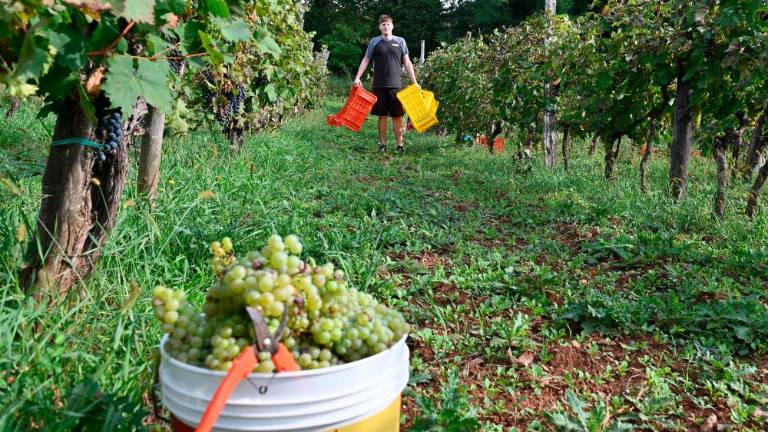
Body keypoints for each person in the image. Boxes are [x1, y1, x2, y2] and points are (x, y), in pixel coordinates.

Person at [353, 14, 419, 154]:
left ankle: (400, 145)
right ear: (380, 27)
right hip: (379, 85)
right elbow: (366, 59)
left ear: (392, 26)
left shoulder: (400, 41)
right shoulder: (374, 42)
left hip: (396, 85)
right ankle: (382, 145)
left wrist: (414, 82)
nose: (386, 26)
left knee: (397, 116)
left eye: (388, 24)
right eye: (383, 24)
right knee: (382, 116)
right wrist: (357, 77)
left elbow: (407, 62)